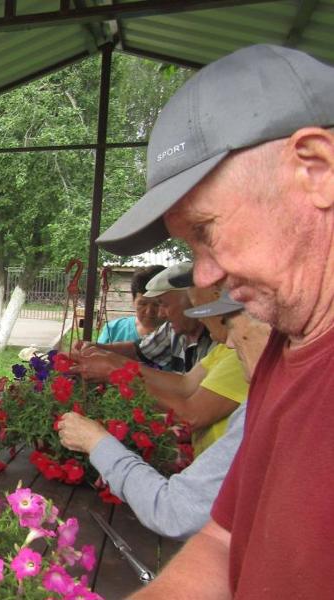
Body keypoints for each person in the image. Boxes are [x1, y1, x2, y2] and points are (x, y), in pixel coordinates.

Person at [95, 44, 334, 598]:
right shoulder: (282, 345)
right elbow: (226, 538)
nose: (207, 274)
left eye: (205, 229)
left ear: (315, 169)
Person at [58, 293, 269, 540]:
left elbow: (176, 511)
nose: (228, 339)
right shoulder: (227, 351)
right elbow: (184, 385)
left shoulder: (258, 387)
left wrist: (96, 441)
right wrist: (113, 364)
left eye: (227, 321)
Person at [75, 282, 244, 457]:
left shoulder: (240, 355)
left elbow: (191, 415)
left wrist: (115, 373)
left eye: (201, 310)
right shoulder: (224, 348)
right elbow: (184, 384)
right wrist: (112, 361)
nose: (199, 319)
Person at [82, 263, 213, 373]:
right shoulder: (172, 329)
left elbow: (187, 388)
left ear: (194, 301)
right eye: (143, 303)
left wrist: (112, 362)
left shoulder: (219, 341)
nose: (160, 313)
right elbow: (138, 350)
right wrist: (96, 348)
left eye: (163, 304)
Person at [96, 265, 165, 344]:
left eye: (157, 304)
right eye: (142, 304)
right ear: (133, 300)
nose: (149, 311)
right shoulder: (113, 329)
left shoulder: (177, 334)